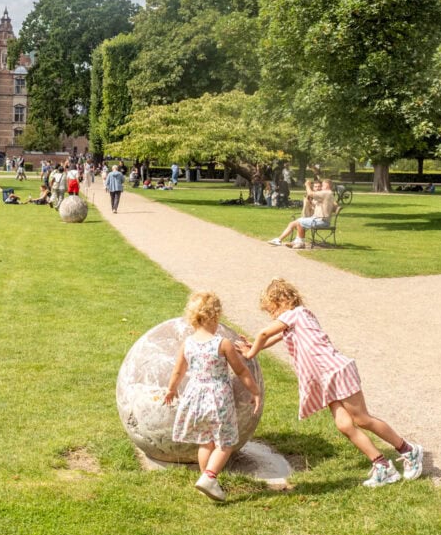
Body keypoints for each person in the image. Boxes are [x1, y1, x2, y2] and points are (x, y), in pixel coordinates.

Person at [237, 279, 423, 488]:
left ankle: (408, 450)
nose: (273, 316)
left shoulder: (297, 313)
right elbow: (273, 337)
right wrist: (254, 347)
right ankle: (382, 466)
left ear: (285, 300)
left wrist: (252, 353)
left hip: (336, 371)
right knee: (344, 425)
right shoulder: (291, 323)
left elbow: (265, 333)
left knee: (362, 419)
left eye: (273, 310)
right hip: (325, 379)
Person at [164, 291, 261, 502]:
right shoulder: (222, 343)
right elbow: (242, 371)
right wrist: (255, 391)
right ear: (214, 316)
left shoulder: (188, 343)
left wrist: (171, 389)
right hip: (218, 399)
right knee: (225, 443)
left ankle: (206, 481)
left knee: (205, 441)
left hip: (195, 398)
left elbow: (178, 372)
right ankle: (209, 477)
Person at [268, 178, 334, 248]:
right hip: (319, 219)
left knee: (298, 222)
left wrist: (307, 185)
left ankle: (284, 240)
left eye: (322, 185)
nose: (321, 187)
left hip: (321, 221)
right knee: (297, 223)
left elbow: (310, 193)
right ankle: (296, 242)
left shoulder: (327, 193)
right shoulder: (328, 194)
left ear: (327, 186)